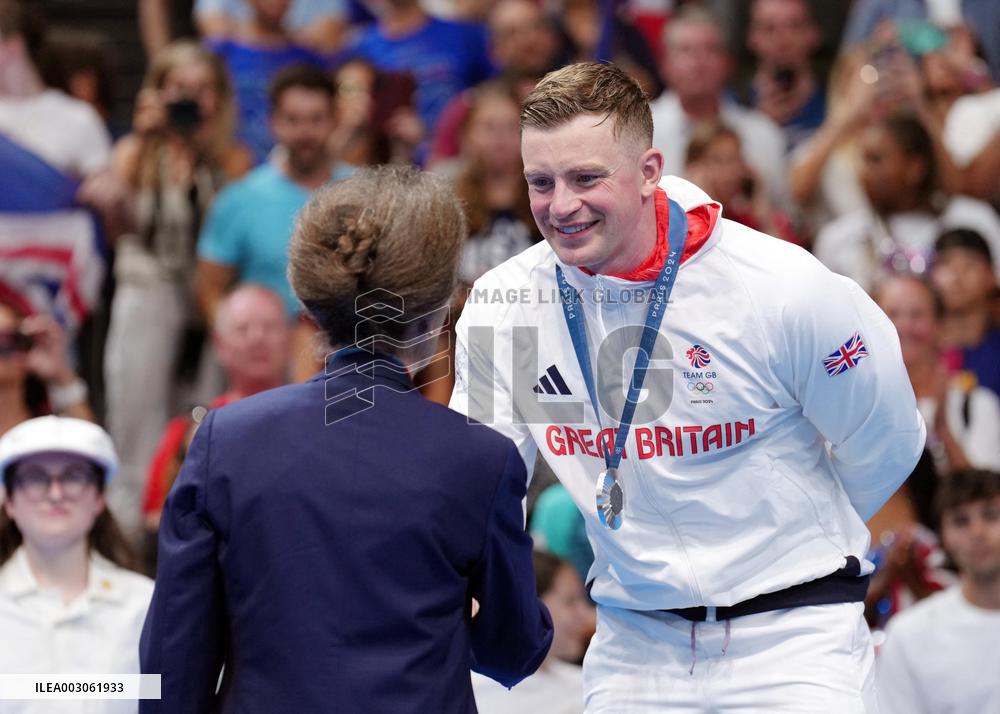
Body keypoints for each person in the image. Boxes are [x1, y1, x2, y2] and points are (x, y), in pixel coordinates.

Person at [451, 62, 926, 711]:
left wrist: (785, 543)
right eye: (541, 182)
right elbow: (483, 485)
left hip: (793, 638)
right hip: (635, 646)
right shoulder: (502, 306)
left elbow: (887, 439)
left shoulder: (780, 286)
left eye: (587, 178)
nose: (561, 206)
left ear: (649, 171)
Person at [141, 166, 552, 713]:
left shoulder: (226, 440)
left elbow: (173, 666)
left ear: (308, 312)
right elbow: (513, 650)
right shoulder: (481, 459)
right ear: (436, 317)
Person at [102, 39, 253, 543]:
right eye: (178, 89)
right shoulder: (134, 153)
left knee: (203, 417)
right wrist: (147, 140)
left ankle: (194, 526)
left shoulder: (232, 159)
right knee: (135, 418)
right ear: (156, 94)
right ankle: (130, 535)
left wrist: (203, 151)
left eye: (202, 90)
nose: (190, 100)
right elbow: (113, 226)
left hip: (205, 303)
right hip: (147, 294)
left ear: (220, 98)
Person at [0, 416, 154, 714]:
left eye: (73, 477)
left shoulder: (145, 606)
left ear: (99, 497)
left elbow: (169, 697)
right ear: (10, 502)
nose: (55, 494)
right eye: (34, 477)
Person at [196, 64, 353, 325]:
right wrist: (237, 342)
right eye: (292, 120)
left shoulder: (366, 193)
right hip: (261, 350)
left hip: (348, 354)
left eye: (316, 119)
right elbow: (209, 289)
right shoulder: (239, 199)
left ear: (335, 120)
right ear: (273, 122)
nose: (305, 132)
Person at [141, 283, 291, 538]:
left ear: (288, 338)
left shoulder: (317, 423)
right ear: (220, 345)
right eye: (243, 329)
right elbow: (155, 520)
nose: (258, 337)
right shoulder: (186, 433)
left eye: (270, 326)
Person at [814, 113, 1000, 293]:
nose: (865, 173)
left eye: (876, 160)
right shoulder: (838, 238)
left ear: (915, 168)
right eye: (864, 160)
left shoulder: (974, 219)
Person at [878, 468, 1000, 714]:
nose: (977, 532)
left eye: (990, 515)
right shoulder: (908, 636)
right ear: (942, 536)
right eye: (961, 521)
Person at [649, 5, 789, 208]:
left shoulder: (763, 134)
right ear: (664, 64)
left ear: (729, 62)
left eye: (710, 49)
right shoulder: (637, 131)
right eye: (685, 50)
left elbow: (784, 214)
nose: (699, 62)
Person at [874, 273, 1000, 473]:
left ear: (940, 325)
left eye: (917, 315)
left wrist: (943, 429)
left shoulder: (976, 404)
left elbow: (988, 494)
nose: (904, 326)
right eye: (892, 315)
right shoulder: (856, 403)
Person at [472, 550, 594, 714]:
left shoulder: (586, 685)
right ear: (529, 606)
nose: (585, 614)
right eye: (570, 601)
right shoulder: (476, 690)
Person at [0, 299, 95, 438]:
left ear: (25, 345)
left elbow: (90, 447)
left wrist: (61, 378)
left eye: (6, 341)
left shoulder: (47, 434)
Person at [743, 0, 826, 149]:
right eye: (769, 28)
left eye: (795, 27)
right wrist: (758, 126)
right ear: (751, 38)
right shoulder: (731, 108)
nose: (783, 40)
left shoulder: (838, 105)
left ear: (814, 34)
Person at [931, 228, 1000, 398]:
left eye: (970, 264)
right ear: (931, 275)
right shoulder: (913, 350)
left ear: (991, 275)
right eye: (946, 263)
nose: (957, 275)